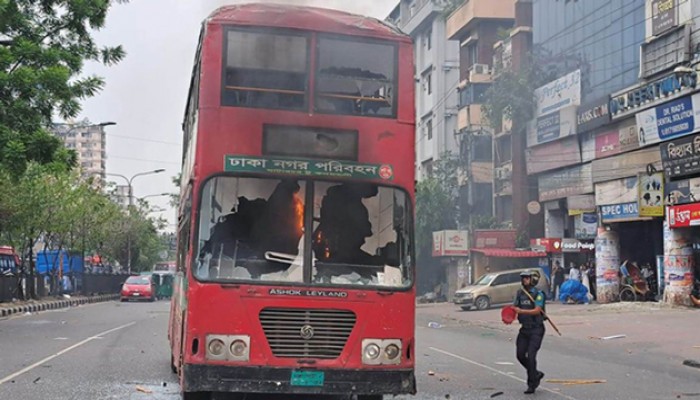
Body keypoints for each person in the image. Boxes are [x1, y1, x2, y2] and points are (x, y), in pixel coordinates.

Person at [513, 270, 546, 394]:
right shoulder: (519, 293)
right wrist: (509, 314)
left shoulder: (539, 294)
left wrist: (521, 311)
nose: (524, 280)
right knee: (520, 355)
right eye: (523, 278)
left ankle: (532, 384)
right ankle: (535, 373)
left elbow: (537, 310)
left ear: (533, 279)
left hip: (536, 329)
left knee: (531, 356)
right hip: (524, 329)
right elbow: (514, 307)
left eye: (526, 278)